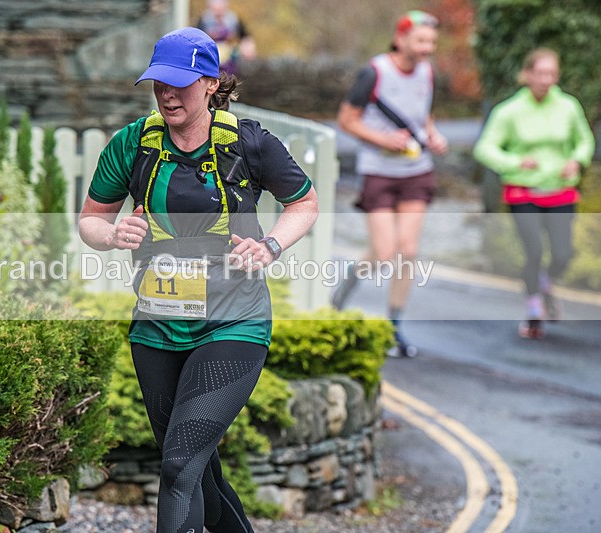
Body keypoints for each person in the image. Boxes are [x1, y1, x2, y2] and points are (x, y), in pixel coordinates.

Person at [78, 27, 318, 533]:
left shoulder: (249, 143)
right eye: (158, 83)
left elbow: (304, 203)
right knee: (197, 472)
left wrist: (270, 245)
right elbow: (90, 221)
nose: (167, 94)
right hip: (156, 328)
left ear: (211, 83)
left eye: (180, 83)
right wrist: (113, 234)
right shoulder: (133, 144)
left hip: (233, 325)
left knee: (178, 465)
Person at [333, 10, 449, 357]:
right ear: (401, 39)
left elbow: (424, 115)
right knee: (384, 253)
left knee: (408, 251)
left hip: (416, 170)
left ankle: (394, 326)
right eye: (421, 40)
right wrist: (384, 140)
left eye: (432, 42)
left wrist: (433, 135)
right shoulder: (375, 72)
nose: (427, 48)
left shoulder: (427, 72)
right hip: (379, 171)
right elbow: (346, 120)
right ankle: (342, 293)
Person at [473, 48, 595, 339]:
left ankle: (545, 283)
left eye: (551, 74)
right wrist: (515, 162)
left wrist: (577, 160)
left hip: (559, 188)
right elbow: (484, 148)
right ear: (527, 75)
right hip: (523, 190)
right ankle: (533, 310)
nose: (546, 80)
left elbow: (585, 140)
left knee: (563, 253)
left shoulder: (568, 106)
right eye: (540, 73)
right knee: (534, 251)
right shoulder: (509, 111)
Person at [196, 0, 256, 77]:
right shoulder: (204, 20)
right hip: (210, 57)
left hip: (230, 59)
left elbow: (245, 36)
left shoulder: (233, 19)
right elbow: (196, 37)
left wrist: (248, 47)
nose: (218, 10)